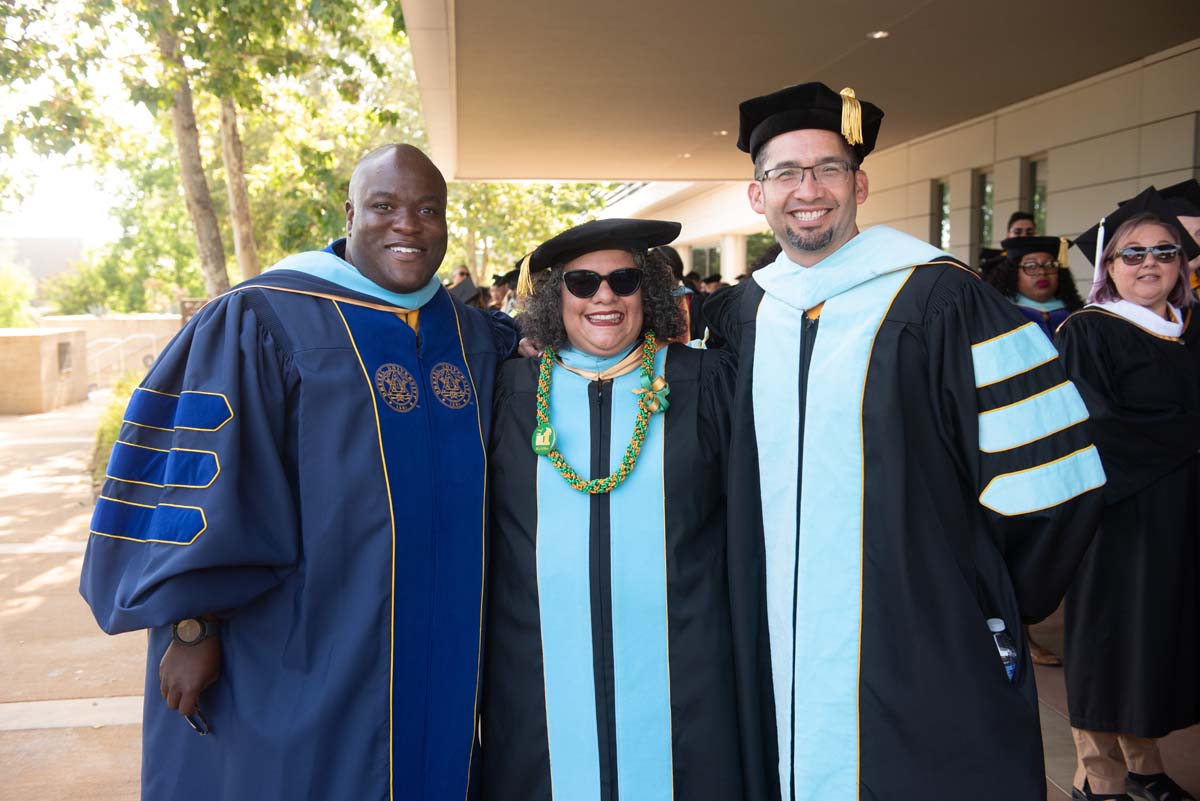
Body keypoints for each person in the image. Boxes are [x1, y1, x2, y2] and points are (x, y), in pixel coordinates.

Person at [79, 144, 519, 801]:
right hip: (304, 644)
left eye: (428, 210)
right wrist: (192, 628)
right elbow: (207, 488)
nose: (408, 223)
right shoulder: (265, 317)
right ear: (349, 213)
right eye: (384, 206)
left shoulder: (472, 336)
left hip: (440, 649)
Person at [704, 82, 1106, 800]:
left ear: (859, 183)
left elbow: (1051, 480)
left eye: (827, 168)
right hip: (770, 632)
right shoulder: (741, 314)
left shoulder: (944, 299)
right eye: (785, 172)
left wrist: (970, 590)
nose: (808, 189)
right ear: (755, 194)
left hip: (920, 631)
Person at [482, 218, 742, 801]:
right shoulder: (510, 391)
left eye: (624, 280)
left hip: (687, 673)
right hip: (539, 675)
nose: (605, 296)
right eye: (581, 282)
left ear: (646, 292)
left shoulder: (704, 383)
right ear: (555, 297)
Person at [1056, 189, 1200, 801]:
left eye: (1164, 252)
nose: (1149, 264)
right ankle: (1100, 777)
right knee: (1108, 639)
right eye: (1131, 253)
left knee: (1154, 642)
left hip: (1182, 516)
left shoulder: (1189, 331)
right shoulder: (1089, 332)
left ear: (1182, 265)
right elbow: (1092, 427)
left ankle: (1145, 765)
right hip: (1119, 516)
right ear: (1108, 266)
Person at [985, 235, 1085, 339]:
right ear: (1013, 274)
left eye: (1050, 265)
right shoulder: (1000, 316)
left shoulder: (1078, 316)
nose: (1042, 272)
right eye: (1031, 266)